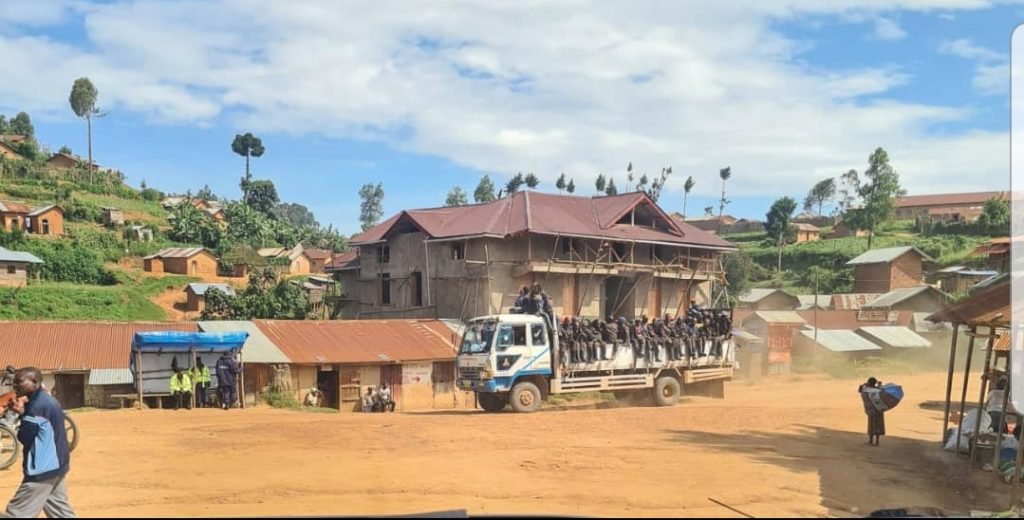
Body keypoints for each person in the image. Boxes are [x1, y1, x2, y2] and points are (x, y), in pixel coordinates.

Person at [3, 367, 75, 518]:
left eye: (20, 382)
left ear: (34, 382)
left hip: (42, 470)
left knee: (16, 514)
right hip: (58, 465)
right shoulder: (47, 399)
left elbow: (25, 437)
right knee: (61, 513)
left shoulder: (36, 407)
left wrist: (22, 415)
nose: (15, 385)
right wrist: (23, 413)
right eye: (15, 382)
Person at [859, 377, 885, 446]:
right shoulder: (879, 390)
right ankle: (877, 441)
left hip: (871, 410)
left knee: (871, 425)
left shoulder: (867, 391)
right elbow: (883, 392)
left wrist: (864, 384)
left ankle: (871, 440)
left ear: (869, 383)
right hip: (879, 409)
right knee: (878, 425)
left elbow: (860, 390)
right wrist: (879, 385)